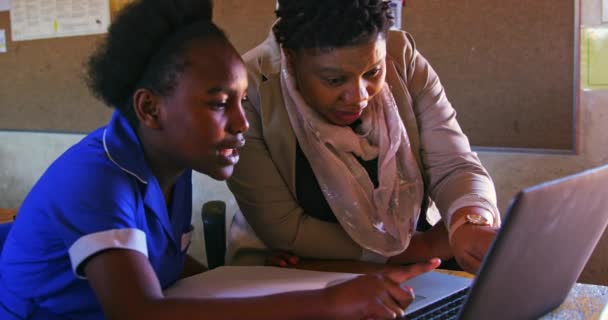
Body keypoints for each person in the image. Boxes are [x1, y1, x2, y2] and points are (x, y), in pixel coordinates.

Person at [0, 0, 441, 319]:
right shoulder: (96, 181)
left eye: (242, 100)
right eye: (218, 104)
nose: (241, 122)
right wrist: (327, 302)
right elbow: (140, 312)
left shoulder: (169, 169)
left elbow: (160, 269)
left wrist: (239, 278)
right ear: (151, 109)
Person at [227, 0, 501, 274]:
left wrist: (471, 222)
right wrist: (426, 246)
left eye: (373, 72)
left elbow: (455, 166)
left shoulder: (401, 56)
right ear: (292, 59)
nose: (359, 97)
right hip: (294, 272)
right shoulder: (248, 89)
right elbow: (287, 229)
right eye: (334, 80)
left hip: (415, 271)